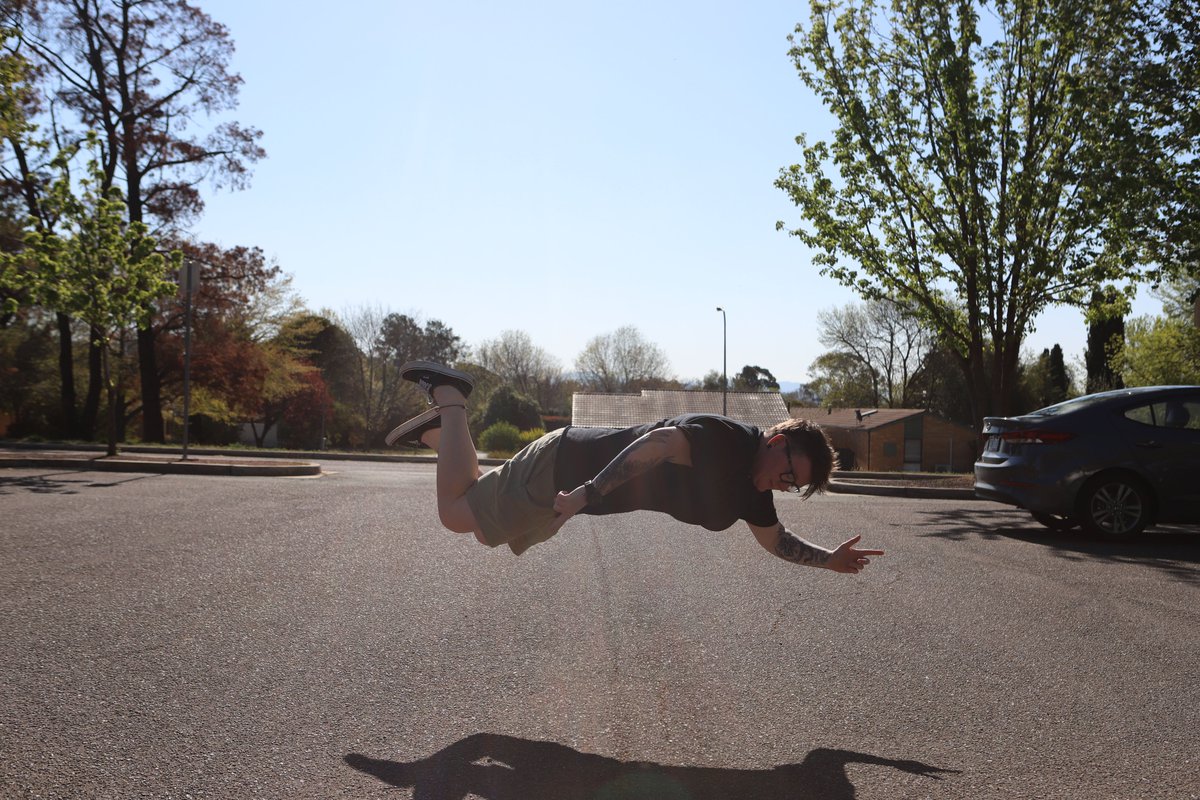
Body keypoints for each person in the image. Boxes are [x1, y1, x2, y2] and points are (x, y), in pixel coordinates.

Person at [387, 361, 883, 571]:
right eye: (789, 473)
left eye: (793, 486)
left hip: (570, 489)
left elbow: (777, 542)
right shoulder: (728, 442)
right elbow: (660, 443)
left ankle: (441, 435)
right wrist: (588, 493)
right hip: (566, 466)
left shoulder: (753, 490)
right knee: (458, 515)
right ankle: (451, 399)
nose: (784, 484)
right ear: (777, 441)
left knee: (479, 527)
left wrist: (829, 560)